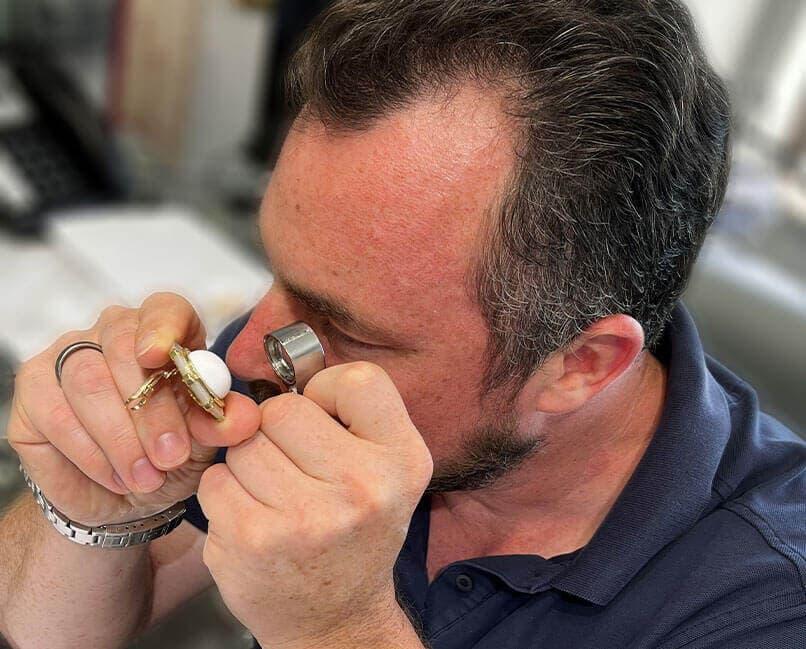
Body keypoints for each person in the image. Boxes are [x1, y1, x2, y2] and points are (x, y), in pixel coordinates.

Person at [2, 1, 804, 648]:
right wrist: (90, 508)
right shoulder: (297, 340)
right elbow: (47, 630)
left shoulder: (764, 607)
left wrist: (337, 627)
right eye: (279, 273)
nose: (246, 345)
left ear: (582, 364)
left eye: (343, 326)